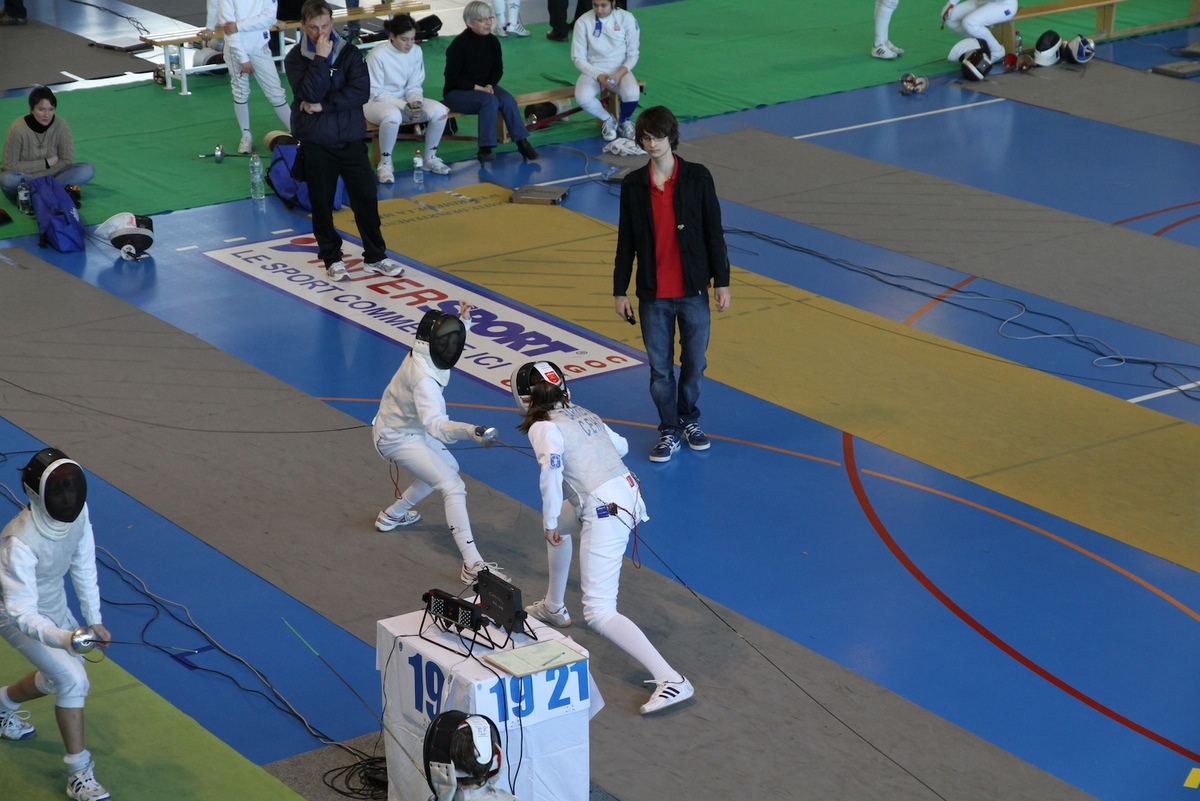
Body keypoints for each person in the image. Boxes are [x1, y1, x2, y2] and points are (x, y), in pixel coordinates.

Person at [512, 361, 694, 715]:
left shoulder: (543, 427)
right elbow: (621, 447)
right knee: (560, 526)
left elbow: (550, 475)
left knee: (598, 612)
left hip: (604, 510)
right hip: (625, 493)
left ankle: (672, 679)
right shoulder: (581, 412)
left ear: (524, 397)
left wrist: (549, 519)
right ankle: (553, 606)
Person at [612, 105, 731, 463]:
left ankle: (688, 419)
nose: (652, 144)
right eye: (646, 138)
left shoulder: (698, 177)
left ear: (671, 137)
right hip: (653, 296)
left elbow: (714, 233)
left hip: (693, 292)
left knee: (695, 364)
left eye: (658, 137)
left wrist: (722, 281)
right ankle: (669, 429)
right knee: (660, 370)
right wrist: (619, 290)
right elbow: (626, 241)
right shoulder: (634, 185)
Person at [0, 449, 113, 801]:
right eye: (59, 490)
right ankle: (79, 773)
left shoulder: (78, 514)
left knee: (56, 678)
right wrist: (64, 637)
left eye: (73, 488)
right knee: (73, 679)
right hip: (12, 613)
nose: (69, 498)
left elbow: (83, 563)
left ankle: (1, 704)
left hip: (53, 605)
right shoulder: (19, 541)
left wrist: (94, 620)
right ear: (38, 494)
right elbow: (21, 613)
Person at [373, 306, 509, 586]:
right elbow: (437, 427)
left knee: (449, 467)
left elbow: (444, 341)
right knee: (453, 485)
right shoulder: (425, 381)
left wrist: (464, 323)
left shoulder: (421, 351)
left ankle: (392, 515)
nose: (451, 346)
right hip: (397, 436)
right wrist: (471, 432)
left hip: (406, 427)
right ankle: (472, 565)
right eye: (447, 341)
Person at [284, 0, 404, 282]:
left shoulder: (349, 52)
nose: (320, 33)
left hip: (350, 140)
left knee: (366, 199)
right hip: (317, 143)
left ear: (332, 22)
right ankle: (332, 258)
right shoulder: (295, 58)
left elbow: (360, 92)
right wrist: (321, 59)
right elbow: (309, 93)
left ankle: (376, 256)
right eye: (314, 27)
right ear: (303, 26)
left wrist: (323, 106)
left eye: (325, 26)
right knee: (322, 204)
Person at [442, 1, 539, 164]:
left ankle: (522, 142)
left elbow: (497, 70)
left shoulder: (492, 41)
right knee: (490, 101)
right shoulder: (458, 45)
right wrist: (480, 88)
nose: (488, 23)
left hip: (485, 88)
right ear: (469, 23)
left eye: (490, 18)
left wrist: (489, 85)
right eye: (482, 20)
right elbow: (453, 79)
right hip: (457, 92)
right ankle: (485, 148)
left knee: (507, 99)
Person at [364, 13, 453, 184]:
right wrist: (403, 105)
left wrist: (415, 102)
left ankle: (430, 159)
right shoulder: (377, 55)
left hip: (404, 101)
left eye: (412, 39)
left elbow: (414, 85)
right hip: (374, 103)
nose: (409, 44)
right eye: (404, 39)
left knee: (441, 111)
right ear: (392, 36)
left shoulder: (416, 52)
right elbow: (375, 92)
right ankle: (385, 164)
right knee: (392, 116)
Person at [201, 0, 293, 155]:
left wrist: (239, 26)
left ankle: (297, 131)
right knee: (240, 92)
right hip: (235, 50)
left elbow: (269, 17)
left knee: (276, 92)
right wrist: (243, 59)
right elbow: (229, 30)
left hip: (260, 47)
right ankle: (246, 136)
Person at [1, 87, 95, 204]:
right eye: (41, 109)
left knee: (87, 170)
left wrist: (42, 176)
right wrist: (46, 163)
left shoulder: (60, 125)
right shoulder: (18, 129)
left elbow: (66, 160)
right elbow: (10, 165)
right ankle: (52, 193)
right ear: (31, 109)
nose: (47, 115)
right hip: (28, 177)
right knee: (7, 179)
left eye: (51, 109)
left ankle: (36, 195)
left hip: (51, 176)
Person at [571, 0, 640, 142]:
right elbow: (578, 58)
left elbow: (633, 54)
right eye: (595, 5)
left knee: (632, 93)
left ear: (613, 2)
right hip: (594, 67)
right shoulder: (583, 22)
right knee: (582, 97)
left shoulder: (627, 18)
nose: (599, 10)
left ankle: (624, 121)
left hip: (620, 67)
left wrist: (619, 74)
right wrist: (599, 75)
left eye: (603, 5)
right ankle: (608, 120)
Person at [941, 0, 1017, 63]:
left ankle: (997, 51)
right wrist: (951, 3)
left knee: (970, 23)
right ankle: (978, 45)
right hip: (981, 1)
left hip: (1003, 5)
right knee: (949, 17)